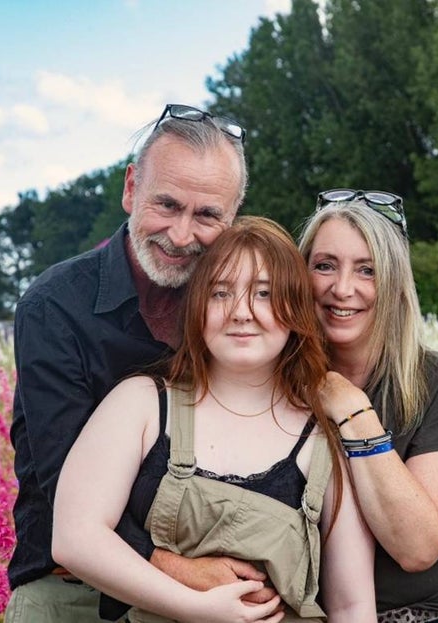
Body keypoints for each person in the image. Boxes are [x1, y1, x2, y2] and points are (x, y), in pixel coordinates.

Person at [5, 104, 276, 622]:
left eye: (207, 216)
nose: (180, 235)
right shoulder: (56, 306)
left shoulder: (239, 310)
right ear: (131, 189)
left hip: (219, 589)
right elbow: (61, 482)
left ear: (232, 218)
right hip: (75, 593)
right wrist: (180, 569)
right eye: (167, 205)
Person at [51, 216, 377, 622]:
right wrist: (198, 608)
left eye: (264, 294)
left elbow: (353, 606)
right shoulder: (142, 404)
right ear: (196, 308)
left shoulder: (323, 440)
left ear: (295, 309)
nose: (241, 312)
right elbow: (74, 538)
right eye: (221, 293)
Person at [298, 190, 438, 622]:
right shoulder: (268, 381)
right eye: (325, 266)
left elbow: (418, 547)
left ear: (394, 283)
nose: (342, 288)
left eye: (367, 270)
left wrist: (350, 407)